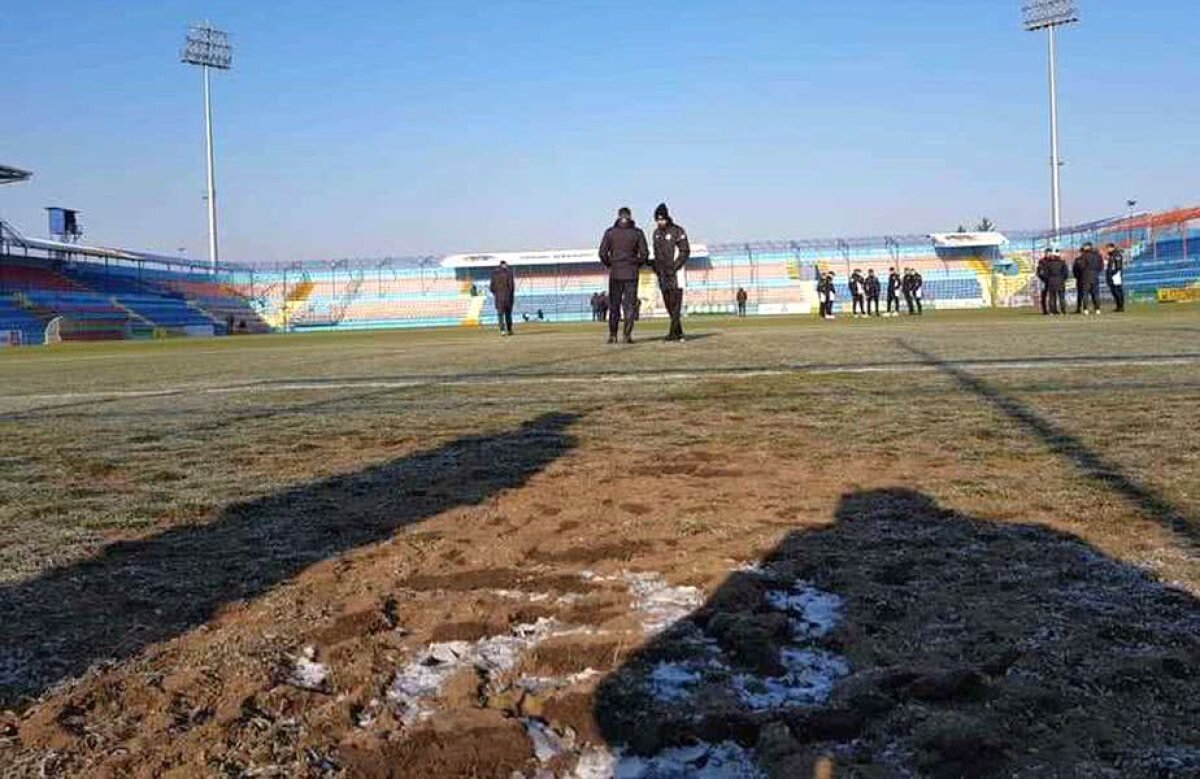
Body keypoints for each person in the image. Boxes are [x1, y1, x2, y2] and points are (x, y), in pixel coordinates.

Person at [598, 207, 649, 344]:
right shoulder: (637, 233)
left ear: (618, 216)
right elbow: (645, 254)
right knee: (629, 306)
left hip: (615, 273)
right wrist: (635, 264)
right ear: (630, 216)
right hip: (631, 274)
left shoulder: (610, 233)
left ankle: (613, 335)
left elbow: (602, 253)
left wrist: (611, 264)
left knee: (614, 306)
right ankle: (627, 335)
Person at [651, 203, 691, 342]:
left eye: (662, 219)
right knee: (668, 304)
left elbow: (685, 251)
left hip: (676, 274)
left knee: (676, 305)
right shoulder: (656, 234)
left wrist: (675, 267)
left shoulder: (677, 231)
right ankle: (679, 333)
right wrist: (655, 267)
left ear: (667, 218)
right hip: (662, 275)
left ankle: (672, 333)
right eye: (657, 220)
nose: (660, 222)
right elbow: (656, 255)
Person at [1074, 242, 1103, 315]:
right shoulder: (1098, 255)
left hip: (1086, 276)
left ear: (1088, 247)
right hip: (1095, 276)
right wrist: (1096, 272)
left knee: (1085, 294)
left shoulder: (1084, 256)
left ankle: (1085, 309)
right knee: (1096, 293)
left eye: (1084, 246)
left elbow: (1081, 266)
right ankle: (1097, 309)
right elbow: (1101, 266)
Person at [489, 260, 516, 335]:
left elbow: (491, 288)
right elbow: (511, 287)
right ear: (504, 265)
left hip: (498, 298)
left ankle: (502, 330)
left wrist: (496, 294)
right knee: (508, 314)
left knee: (500, 315)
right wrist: (510, 295)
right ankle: (509, 330)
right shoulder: (509, 273)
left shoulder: (494, 274)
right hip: (507, 297)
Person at [1044, 247, 1069, 315]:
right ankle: (1063, 311)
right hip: (1060, 281)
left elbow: (1045, 274)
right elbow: (1066, 273)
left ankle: (1051, 311)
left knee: (1051, 297)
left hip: (1051, 282)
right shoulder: (1062, 263)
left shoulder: (1048, 263)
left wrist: (1048, 280)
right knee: (1061, 297)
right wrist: (1063, 279)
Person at [1105, 243, 1126, 313]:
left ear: (1112, 248)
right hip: (1111, 274)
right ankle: (1118, 306)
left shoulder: (1117, 255)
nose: (1107, 249)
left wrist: (1114, 273)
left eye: (1108, 248)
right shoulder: (1110, 255)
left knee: (1118, 291)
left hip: (1116, 275)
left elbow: (1118, 266)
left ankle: (1121, 306)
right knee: (1113, 291)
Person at [1036, 249, 1052, 315]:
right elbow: (1039, 272)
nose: (1048, 254)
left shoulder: (1053, 261)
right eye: (1047, 253)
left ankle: (1052, 309)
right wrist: (1042, 279)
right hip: (1044, 281)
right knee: (1044, 296)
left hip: (1051, 280)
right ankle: (1045, 310)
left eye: (1049, 253)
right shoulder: (1041, 261)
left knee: (1051, 296)